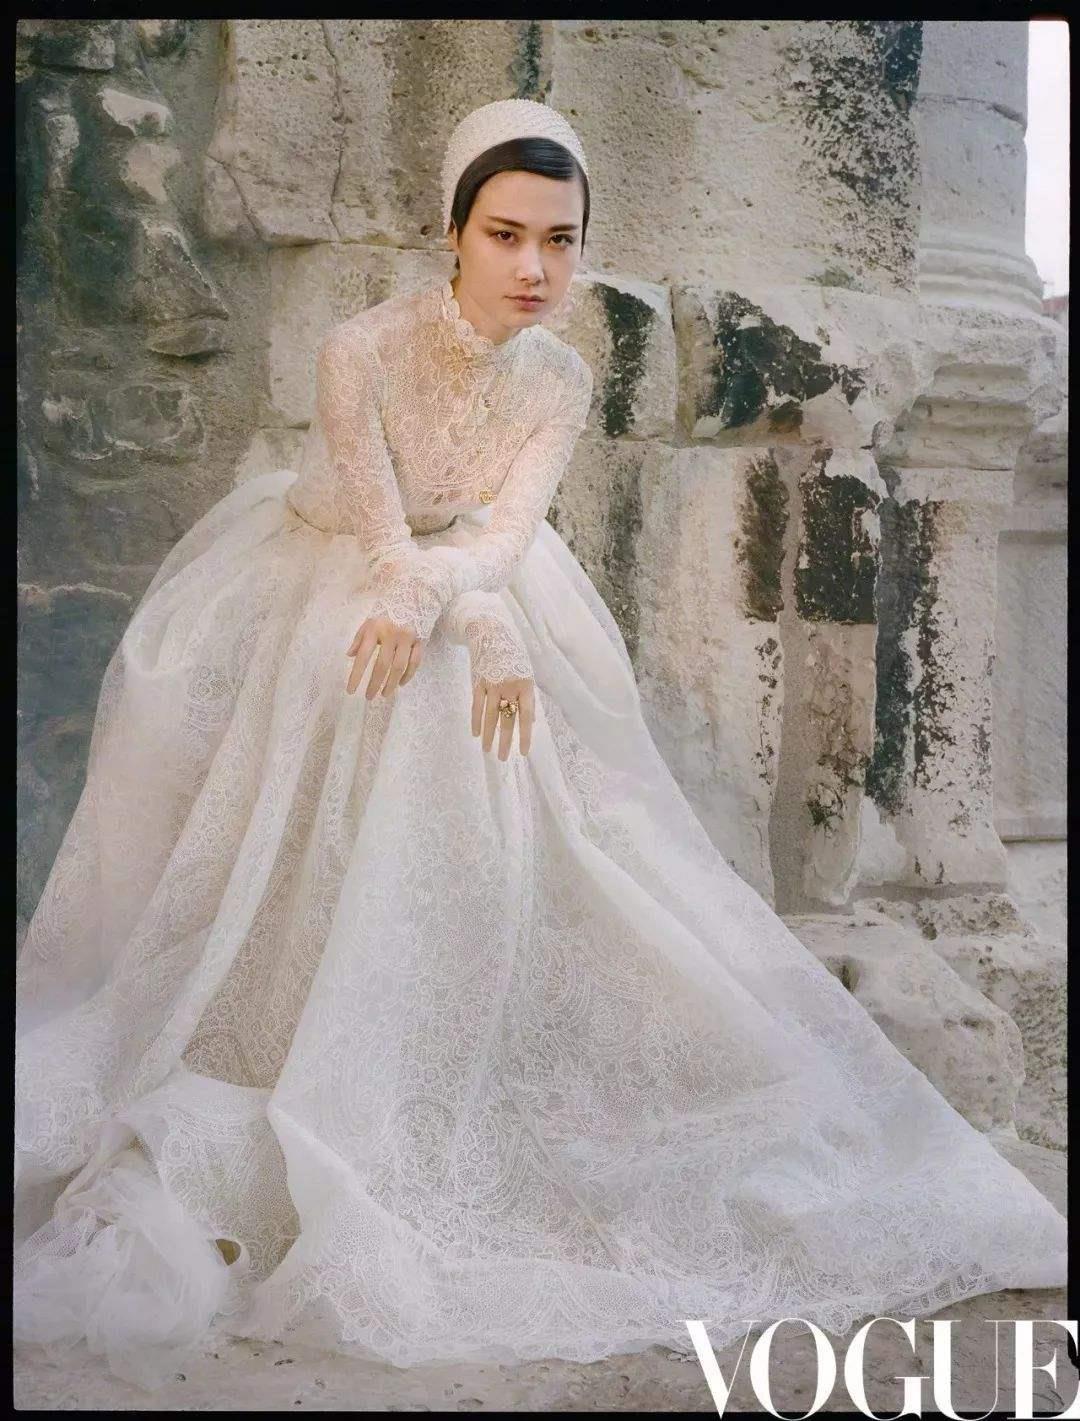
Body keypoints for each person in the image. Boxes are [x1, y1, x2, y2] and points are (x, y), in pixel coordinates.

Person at [14, 98, 1066, 1392]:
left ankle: (448, 1052)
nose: (533, 267)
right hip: (332, 574)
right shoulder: (361, 348)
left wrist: (484, 613)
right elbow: (384, 536)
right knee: (400, 692)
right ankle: (313, 1062)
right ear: (452, 232)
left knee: (504, 743)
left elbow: (503, 536)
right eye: (505, 234)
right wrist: (452, 608)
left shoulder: (559, 378)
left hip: (470, 586)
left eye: (560, 241)